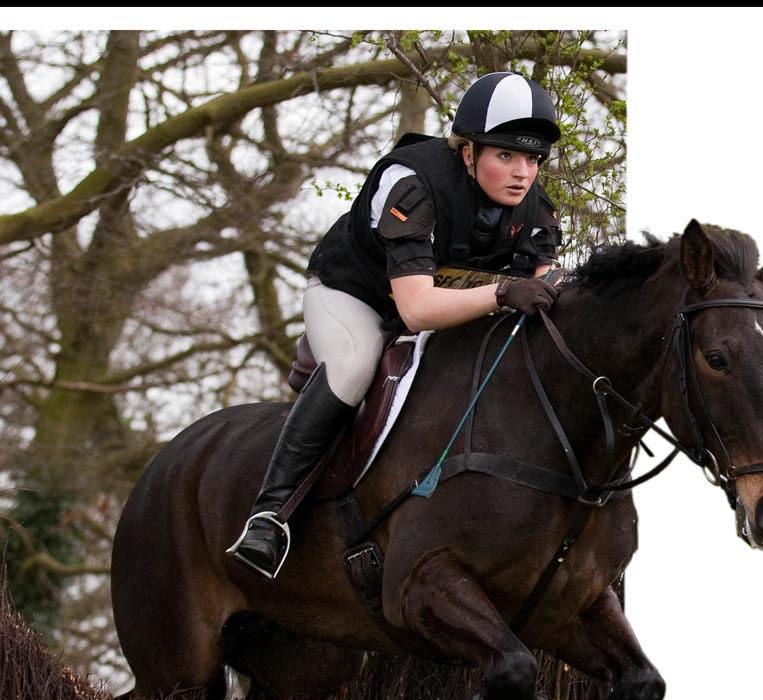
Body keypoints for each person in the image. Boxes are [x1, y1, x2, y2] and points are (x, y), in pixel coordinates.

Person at [226, 71, 564, 579]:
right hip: (356, 296)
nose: (522, 173)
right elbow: (415, 311)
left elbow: (545, 293)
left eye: (533, 159)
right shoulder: (411, 183)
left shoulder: (536, 209)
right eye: (506, 155)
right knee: (355, 363)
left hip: (442, 306)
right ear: (468, 152)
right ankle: (269, 516)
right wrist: (500, 292)